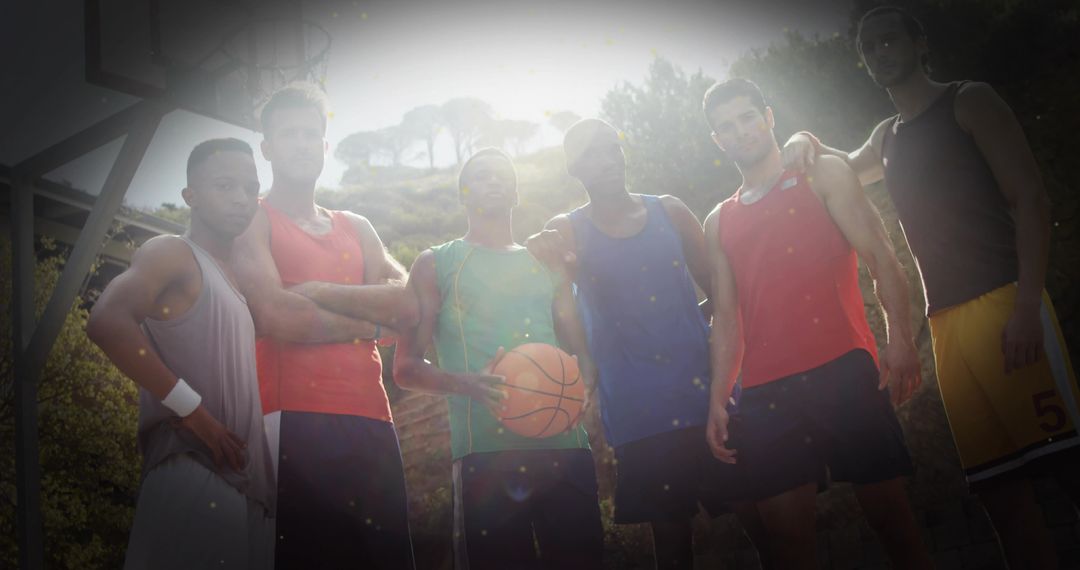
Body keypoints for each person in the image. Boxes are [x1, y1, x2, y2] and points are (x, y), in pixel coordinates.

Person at [782, 7, 1080, 568]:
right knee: (999, 492)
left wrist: (1025, 309)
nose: (880, 53)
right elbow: (838, 166)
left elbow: (1032, 200)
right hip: (947, 327)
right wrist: (800, 137)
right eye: (869, 48)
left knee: (1067, 466)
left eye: (890, 39)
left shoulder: (969, 100)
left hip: (1006, 303)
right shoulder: (885, 135)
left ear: (920, 43)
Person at [701, 78, 932, 569]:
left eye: (747, 117)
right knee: (784, 535)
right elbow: (725, 319)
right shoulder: (718, 220)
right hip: (767, 389)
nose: (739, 130)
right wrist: (718, 399)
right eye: (726, 126)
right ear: (716, 141)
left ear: (768, 117)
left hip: (844, 368)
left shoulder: (822, 173)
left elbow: (881, 257)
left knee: (890, 518)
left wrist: (899, 341)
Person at [527, 118, 760, 570]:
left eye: (612, 148)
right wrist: (586, 359)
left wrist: (695, 325)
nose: (607, 160)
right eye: (591, 154)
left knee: (758, 513)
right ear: (575, 169)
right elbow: (559, 310)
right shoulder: (568, 229)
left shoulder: (670, 211)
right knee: (671, 535)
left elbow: (719, 286)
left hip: (707, 390)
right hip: (638, 407)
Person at [233, 83, 418, 569]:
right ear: (267, 148)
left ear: (325, 147)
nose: (301, 144)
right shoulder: (252, 220)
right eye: (289, 134)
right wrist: (371, 323)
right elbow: (278, 316)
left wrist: (315, 292)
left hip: (373, 418)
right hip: (290, 417)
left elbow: (408, 305)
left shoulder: (357, 226)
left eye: (311, 134)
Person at [393, 148, 604, 570]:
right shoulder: (437, 263)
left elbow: (581, 353)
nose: (493, 181)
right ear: (463, 194)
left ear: (515, 193)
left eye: (502, 175)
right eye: (482, 175)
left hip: (565, 446)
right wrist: (467, 383)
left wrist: (583, 381)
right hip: (485, 455)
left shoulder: (542, 262)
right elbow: (405, 368)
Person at [87, 138, 274, 569]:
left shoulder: (238, 282)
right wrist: (194, 413)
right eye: (224, 185)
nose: (241, 198)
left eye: (250, 187)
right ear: (189, 195)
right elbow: (106, 322)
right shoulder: (171, 251)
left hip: (246, 488)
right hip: (192, 467)